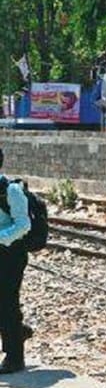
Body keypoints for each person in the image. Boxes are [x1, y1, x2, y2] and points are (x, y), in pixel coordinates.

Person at [0, 148, 31, 374]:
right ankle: (18, 332)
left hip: (10, 255)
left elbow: (23, 225)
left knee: (7, 303)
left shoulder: (11, 190)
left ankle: (15, 358)